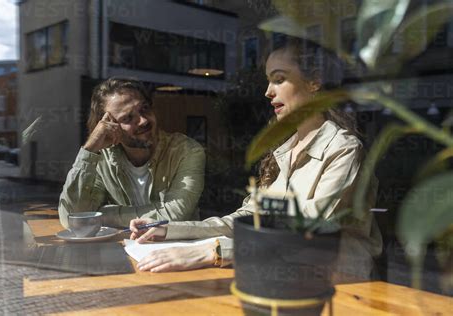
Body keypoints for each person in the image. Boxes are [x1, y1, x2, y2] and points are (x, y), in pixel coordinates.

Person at [129, 38, 382, 280]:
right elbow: (247, 219)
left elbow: (307, 232)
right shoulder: (285, 149)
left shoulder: (344, 149)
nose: (267, 92)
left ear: (314, 81)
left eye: (279, 79)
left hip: (337, 290)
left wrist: (214, 251)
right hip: (276, 276)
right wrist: (170, 229)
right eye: (268, 81)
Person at [58, 77, 205, 228]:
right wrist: (89, 149)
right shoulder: (101, 158)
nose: (143, 121)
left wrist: (101, 215)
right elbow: (72, 218)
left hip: (177, 247)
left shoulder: (186, 151)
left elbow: (175, 216)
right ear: (108, 126)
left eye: (144, 109)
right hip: (124, 248)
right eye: (128, 118)